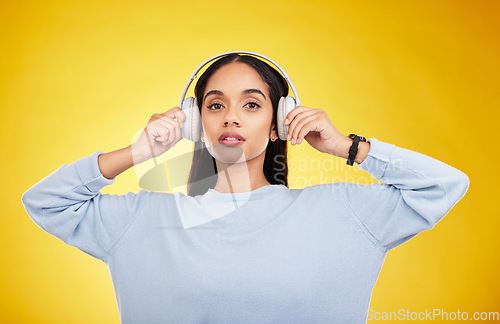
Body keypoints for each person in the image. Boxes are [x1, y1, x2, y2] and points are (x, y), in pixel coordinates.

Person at [21, 53, 470, 323]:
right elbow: (44, 202)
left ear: (278, 123)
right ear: (198, 123)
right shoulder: (144, 218)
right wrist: (136, 154)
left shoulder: (343, 212)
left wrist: (346, 146)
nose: (231, 117)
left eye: (252, 105)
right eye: (215, 105)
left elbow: (445, 185)